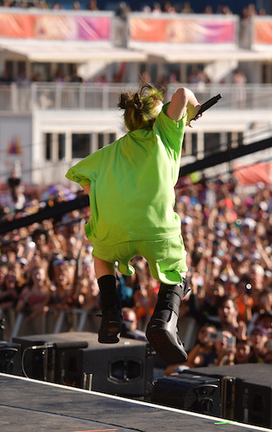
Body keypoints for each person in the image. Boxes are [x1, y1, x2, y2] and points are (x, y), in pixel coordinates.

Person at [65, 84, 202, 364]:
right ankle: (164, 321)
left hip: (113, 232)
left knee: (102, 258)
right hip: (156, 230)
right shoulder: (165, 133)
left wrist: (102, 193)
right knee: (177, 270)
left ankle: (112, 313)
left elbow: (78, 174)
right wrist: (195, 109)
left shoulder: (109, 152)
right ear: (159, 115)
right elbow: (182, 92)